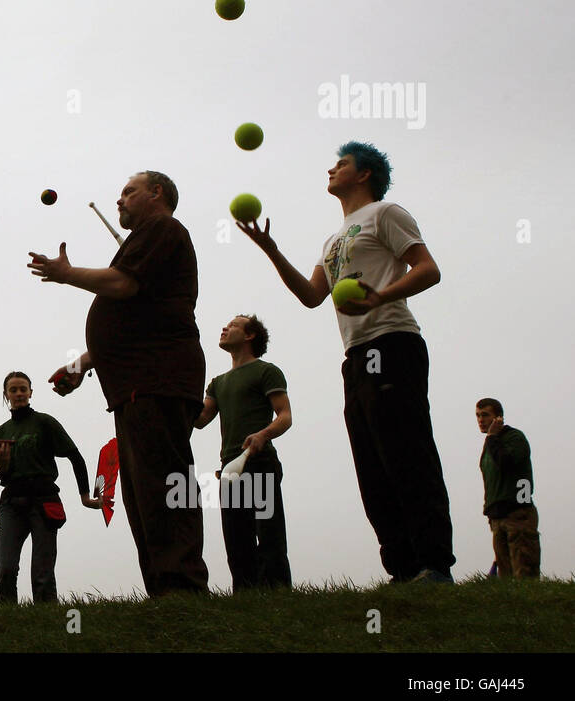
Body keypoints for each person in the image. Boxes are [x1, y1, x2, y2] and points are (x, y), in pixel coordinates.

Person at [236, 141, 454, 583]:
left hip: (392, 343)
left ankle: (435, 565)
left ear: (365, 174)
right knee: (371, 464)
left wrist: (381, 296)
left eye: (342, 163)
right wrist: (271, 249)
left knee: (406, 454)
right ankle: (404, 569)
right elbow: (313, 297)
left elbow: (428, 270)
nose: (332, 168)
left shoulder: (385, 213)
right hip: (355, 356)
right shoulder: (334, 238)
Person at [30, 171, 209, 596]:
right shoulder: (148, 237)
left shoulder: (163, 228)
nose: (120, 200)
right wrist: (85, 363)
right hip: (136, 385)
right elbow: (138, 313)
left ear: (157, 193)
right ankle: (165, 591)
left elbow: (123, 284)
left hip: (157, 379)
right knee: (144, 492)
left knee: (164, 482)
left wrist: (67, 273)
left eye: (129, 191)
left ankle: (183, 588)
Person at [193, 315, 293, 592]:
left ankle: (279, 596)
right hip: (229, 468)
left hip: (260, 462)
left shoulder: (266, 371)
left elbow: (285, 416)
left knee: (269, 535)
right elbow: (200, 419)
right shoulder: (217, 382)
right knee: (237, 541)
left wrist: (263, 435)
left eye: (233, 325)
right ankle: (245, 598)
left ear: (250, 336)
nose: (225, 328)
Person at [0, 371, 99, 604]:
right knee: (5, 568)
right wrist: (5, 464)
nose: (18, 394)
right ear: (6, 395)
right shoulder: (0, 433)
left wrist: (85, 495)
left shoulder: (44, 422)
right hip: (11, 503)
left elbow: (75, 456)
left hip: (44, 500)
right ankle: (6, 622)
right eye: (13, 390)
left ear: (31, 392)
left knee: (42, 573)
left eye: (23, 389)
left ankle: (48, 620)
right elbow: (2, 475)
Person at [475, 398, 539, 578]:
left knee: (524, 574)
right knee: (506, 579)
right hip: (497, 517)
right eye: (478, 416)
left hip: (518, 513)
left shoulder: (514, 437)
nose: (480, 420)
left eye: (485, 415)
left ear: (498, 418)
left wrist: (493, 437)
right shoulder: (490, 444)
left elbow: (506, 462)